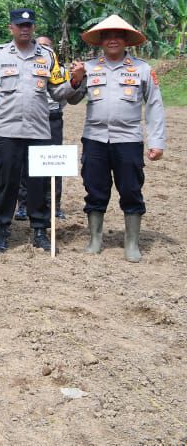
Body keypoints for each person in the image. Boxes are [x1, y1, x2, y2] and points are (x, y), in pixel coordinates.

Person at [0, 9, 72, 253]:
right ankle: (1, 229)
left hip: (39, 130)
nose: (25, 29)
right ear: (11, 28)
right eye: (20, 25)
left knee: (38, 184)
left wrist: (75, 81)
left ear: (33, 27)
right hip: (6, 130)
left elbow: (58, 91)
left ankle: (40, 230)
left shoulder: (48, 55)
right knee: (5, 183)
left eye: (28, 25)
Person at [67, 15, 165, 262]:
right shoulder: (88, 67)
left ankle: (131, 243)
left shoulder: (142, 69)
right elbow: (72, 99)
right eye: (107, 36)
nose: (112, 40)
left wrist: (156, 141)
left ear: (126, 40)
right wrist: (77, 78)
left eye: (118, 36)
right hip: (94, 138)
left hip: (128, 139)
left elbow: (154, 105)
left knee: (131, 189)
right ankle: (95, 239)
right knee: (94, 188)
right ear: (100, 41)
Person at [15, 35, 67, 221]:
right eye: (40, 45)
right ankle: (23, 204)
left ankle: (54, 205)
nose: (44, 49)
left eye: (47, 46)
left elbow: (63, 95)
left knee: (53, 163)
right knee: (26, 164)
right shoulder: (26, 66)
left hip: (52, 117)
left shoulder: (61, 70)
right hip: (31, 118)